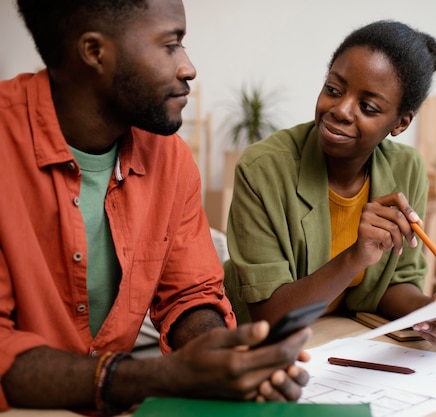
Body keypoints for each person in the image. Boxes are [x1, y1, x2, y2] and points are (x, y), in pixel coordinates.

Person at [0, 0, 310, 414]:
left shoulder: (170, 158)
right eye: (170, 44)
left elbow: (190, 293)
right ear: (95, 52)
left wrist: (218, 356)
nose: (188, 68)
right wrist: (164, 376)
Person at [225, 20, 436, 347]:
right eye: (333, 89)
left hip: (337, 338)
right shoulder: (263, 168)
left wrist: (429, 312)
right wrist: (356, 256)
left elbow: (395, 283)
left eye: (367, 107)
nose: (340, 110)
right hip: (255, 344)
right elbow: (271, 315)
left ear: (400, 123)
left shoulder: (406, 168)